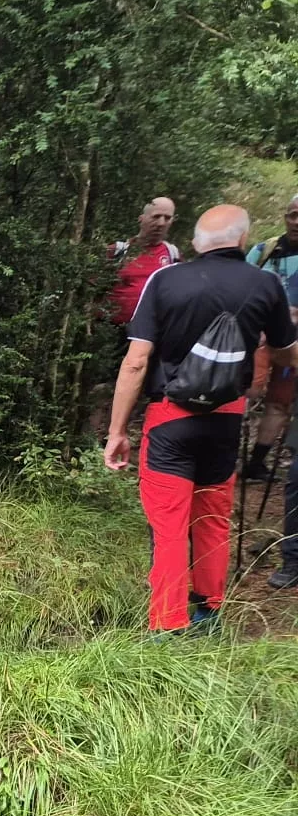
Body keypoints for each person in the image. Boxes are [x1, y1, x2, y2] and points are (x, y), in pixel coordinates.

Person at [104, 205, 298, 630]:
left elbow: (136, 362)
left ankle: (167, 624)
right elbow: (286, 354)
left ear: (194, 242)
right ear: (243, 241)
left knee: (169, 524)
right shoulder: (266, 284)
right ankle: (209, 613)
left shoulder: (166, 279)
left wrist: (117, 431)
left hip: (170, 419)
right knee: (211, 517)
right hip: (227, 419)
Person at [243, 194, 298, 586]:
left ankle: (257, 460)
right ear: (285, 215)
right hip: (261, 339)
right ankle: (236, 456)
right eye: (294, 214)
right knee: (248, 394)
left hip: (294, 348)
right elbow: (243, 288)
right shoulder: (265, 251)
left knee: (279, 405)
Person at [110, 198, 180, 327]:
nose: (161, 223)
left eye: (167, 218)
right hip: (112, 332)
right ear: (141, 218)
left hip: (152, 332)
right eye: (156, 216)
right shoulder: (117, 251)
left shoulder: (173, 255)